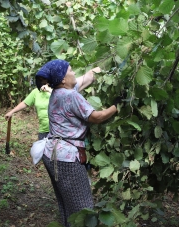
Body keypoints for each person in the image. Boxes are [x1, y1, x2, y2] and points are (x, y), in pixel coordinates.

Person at [35, 59, 122, 227]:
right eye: (71, 70)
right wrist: (116, 106)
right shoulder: (71, 95)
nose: (74, 73)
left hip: (52, 154)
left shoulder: (58, 92)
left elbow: (89, 77)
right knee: (84, 209)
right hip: (66, 158)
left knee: (67, 206)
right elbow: (97, 117)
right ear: (62, 79)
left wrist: (112, 61)